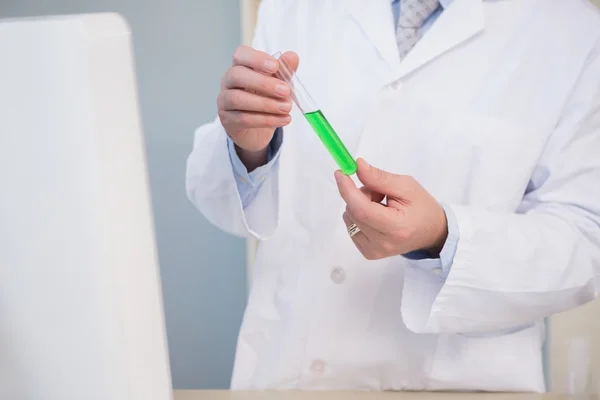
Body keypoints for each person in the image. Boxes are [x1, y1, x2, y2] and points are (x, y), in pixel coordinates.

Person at [186, 0, 600, 392]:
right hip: (287, 375)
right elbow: (222, 198)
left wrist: (443, 235)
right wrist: (249, 146)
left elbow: (585, 241)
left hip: (461, 385)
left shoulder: (571, 31)